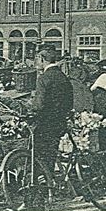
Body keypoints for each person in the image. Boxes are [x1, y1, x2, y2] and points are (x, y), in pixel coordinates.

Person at [32, 45, 74, 180]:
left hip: (45, 124)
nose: (36, 63)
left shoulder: (44, 78)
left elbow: (39, 105)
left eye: (37, 59)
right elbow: (69, 101)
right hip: (59, 123)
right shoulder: (63, 77)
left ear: (42, 59)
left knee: (39, 157)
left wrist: (30, 110)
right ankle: (49, 183)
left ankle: (42, 186)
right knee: (51, 155)